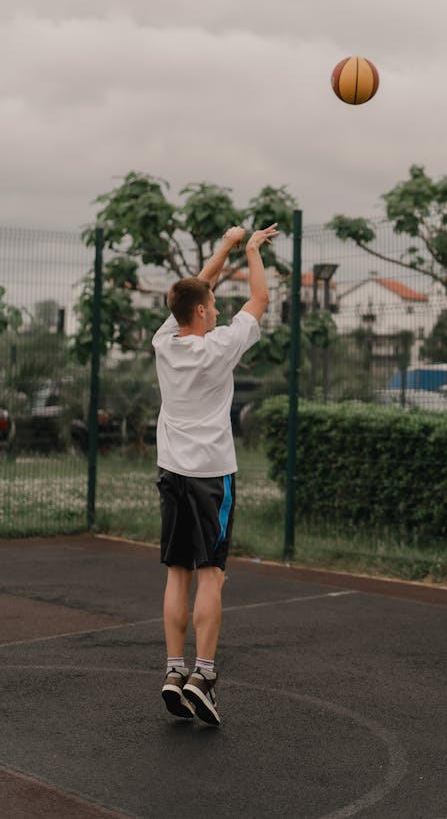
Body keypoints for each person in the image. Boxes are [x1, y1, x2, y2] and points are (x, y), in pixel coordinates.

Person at [153, 222, 278, 725]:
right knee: (212, 575)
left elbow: (195, 290)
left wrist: (224, 245)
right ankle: (203, 675)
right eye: (213, 305)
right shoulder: (221, 345)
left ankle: (172, 670)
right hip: (211, 476)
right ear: (202, 312)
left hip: (172, 473)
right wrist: (249, 250)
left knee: (177, 573)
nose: (220, 309)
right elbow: (262, 297)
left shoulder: (165, 341)